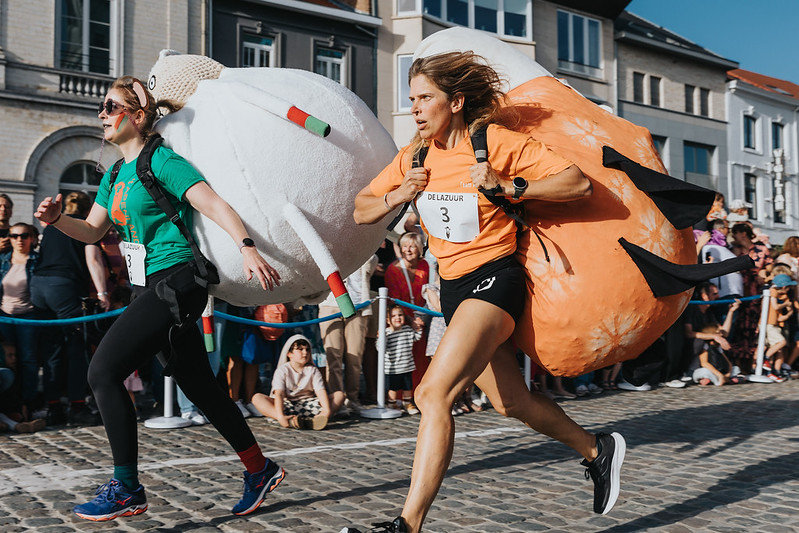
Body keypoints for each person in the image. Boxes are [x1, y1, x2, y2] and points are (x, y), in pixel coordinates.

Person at [345, 52, 625, 533]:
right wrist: (398, 194)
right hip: (453, 291)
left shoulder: (492, 141)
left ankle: (407, 525)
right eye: (412, 99)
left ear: (455, 102)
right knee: (511, 402)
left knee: (432, 393)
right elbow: (360, 209)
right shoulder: (415, 156)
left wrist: (508, 186)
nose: (415, 108)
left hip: (495, 280)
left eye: (425, 98)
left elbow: (576, 183)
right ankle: (597, 449)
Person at [34, 76, 285, 521]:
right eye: (102, 107)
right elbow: (91, 231)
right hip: (146, 286)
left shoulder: (161, 160)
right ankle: (259, 468)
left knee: (103, 371)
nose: (102, 114)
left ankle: (127, 488)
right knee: (200, 386)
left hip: (178, 280)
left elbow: (213, 204)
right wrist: (57, 220)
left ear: (136, 116)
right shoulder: (115, 174)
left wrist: (247, 247)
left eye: (111, 106)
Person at [30, 191, 108, 426]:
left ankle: (53, 407)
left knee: (52, 349)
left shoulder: (52, 227)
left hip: (38, 286)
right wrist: (102, 293)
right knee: (77, 347)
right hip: (64, 287)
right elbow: (92, 259)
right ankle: (77, 406)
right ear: (88, 210)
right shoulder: (84, 227)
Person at [318, 256, 377, 413]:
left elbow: (372, 261)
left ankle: (352, 398)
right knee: (333, 355)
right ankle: (337, 400)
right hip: (330, 304)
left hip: (357, 304)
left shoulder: (363, 249)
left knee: (354, 356)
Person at [251, 334, 344, 429]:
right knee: (257, 398)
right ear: (289, 354)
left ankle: (317, 419)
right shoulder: (282, 370)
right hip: (287, 405)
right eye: (300, 349)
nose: (305, 353)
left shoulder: (313, 370)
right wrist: (280, 415)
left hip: (310, 404)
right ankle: (286, 420)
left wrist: (326, 410)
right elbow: (279, 394)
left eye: (307, 349)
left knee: (339, 395)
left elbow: (320, 391)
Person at [384, 231, 430, 408]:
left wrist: (422, 318)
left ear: (419, 249)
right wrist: (410, 321)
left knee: (420, 360)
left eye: (412, 246)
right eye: (404, 246)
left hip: (421, 318)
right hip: (401, 320)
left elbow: (428, 291)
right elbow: (394, 300)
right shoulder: (393, 270)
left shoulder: (425, 265)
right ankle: (398, 399)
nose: (408, 250)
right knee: (401, 360)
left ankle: (419, 396)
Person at [0, 223, 40, 416]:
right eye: (14, 236)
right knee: (7, 361)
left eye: (24, 236)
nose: (19, 240)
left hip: (28, 317)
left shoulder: (37, 261)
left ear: (31, 238)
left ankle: (28, 404)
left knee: (28, 360)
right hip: (4, 317)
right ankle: (11, 406)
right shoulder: (3, 260)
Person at [384, 304, 422, 412]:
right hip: (392, 368)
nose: (398, 318)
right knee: (393, 387)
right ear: (388, 320)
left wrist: (418, 328)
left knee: (407, 387)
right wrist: (381, 338)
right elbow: (380, 348)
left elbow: (416, 337)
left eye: (400, 315)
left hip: (407, 366)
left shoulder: (407, 330)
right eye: (393, 316)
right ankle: (392, 404)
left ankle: (407, 404)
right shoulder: (386, 332)